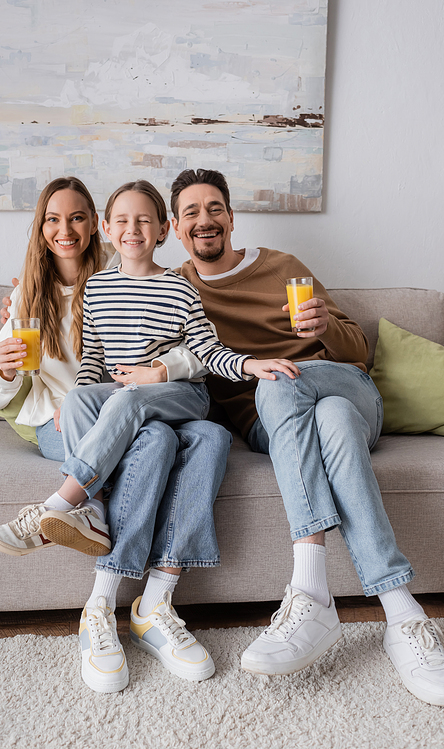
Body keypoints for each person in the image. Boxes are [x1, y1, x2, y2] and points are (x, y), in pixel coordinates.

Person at [167, 167, 444, 707]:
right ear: (176, 228)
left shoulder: (282, 267)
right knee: (326, 416)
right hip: (276, 423)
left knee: (292, 386)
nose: (205, 220)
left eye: (215, 208)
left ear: (231, 216)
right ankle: (402, 613)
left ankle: (310, 590)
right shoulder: (172, 289)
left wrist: (324, 330)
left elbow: (356, 350)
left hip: (344, 384)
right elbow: (122, 322)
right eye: (192, 212)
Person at [0, 176, 232, 692]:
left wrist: (161, 368)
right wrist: (8, 373)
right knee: (153, 439)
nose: (65, 229)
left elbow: (199, 345)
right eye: (53, 219)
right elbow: (40, 382)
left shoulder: (119, 277)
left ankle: (134, 591)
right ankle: (102, 600)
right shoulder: (27, 296)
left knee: (204, 436)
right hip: (70, 415)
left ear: (94, 227)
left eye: (76, 217)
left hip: (139, 403)